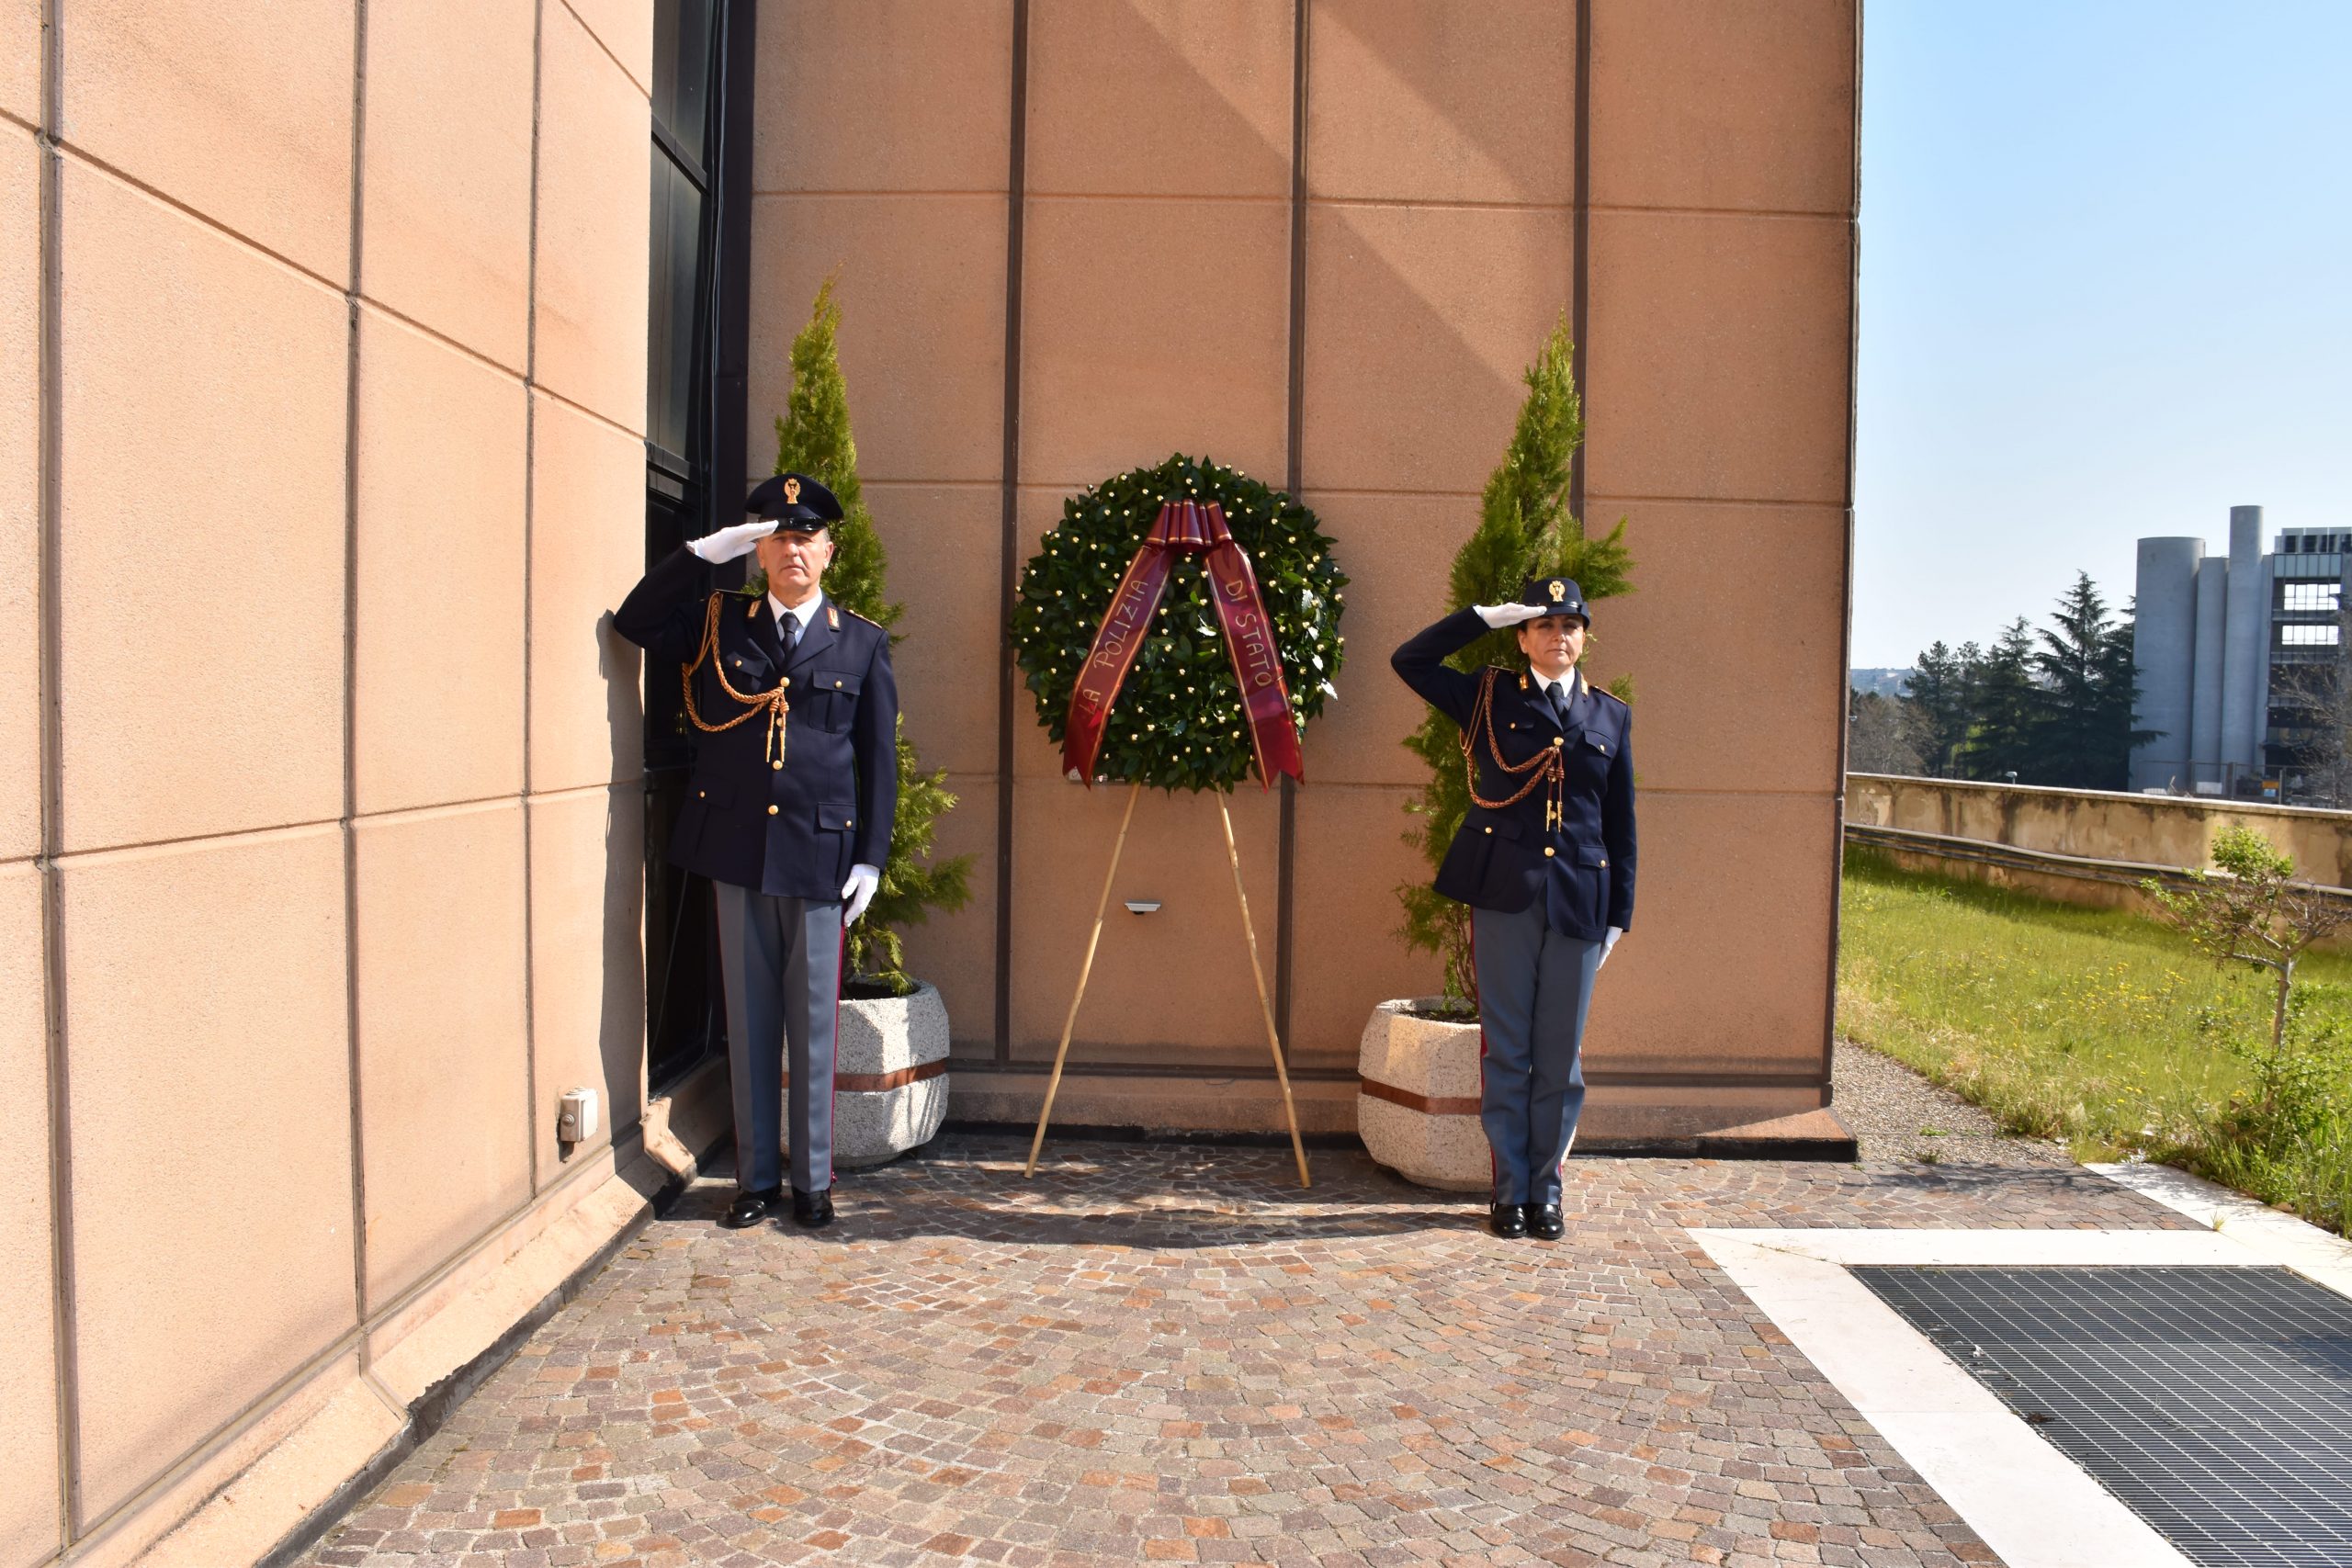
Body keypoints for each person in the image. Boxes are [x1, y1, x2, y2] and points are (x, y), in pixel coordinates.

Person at [615, 473, 898, 1230]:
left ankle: (812, 1184)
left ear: (829, 552)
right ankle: (756, 1182)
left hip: (818, 862)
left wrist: (870, 856)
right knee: (749, 1024)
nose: (792, 548)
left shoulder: (862, 641)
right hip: (737, 851)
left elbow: (879, 759)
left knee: (811, 1029)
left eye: (806, 537)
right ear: (757, 551)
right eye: (777, 535)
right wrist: (701, 553)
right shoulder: (718, 621)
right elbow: (636, 622)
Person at [1390, 577, 1635, 1241]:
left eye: (1571, 624)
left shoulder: (1610, 715)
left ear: (1584, 637)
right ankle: (1508, 1194)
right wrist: (1478, 618)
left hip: (1581, 901)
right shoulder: (1489, 694)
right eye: (1545, 624)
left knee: (1560, 1057)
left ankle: (1546, 1190)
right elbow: (1409, 661)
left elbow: (1621, 823)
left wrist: (1621, 914)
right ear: (1523, 635)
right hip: (1504, 894)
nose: (1560, 634)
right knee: (1508, 1052)